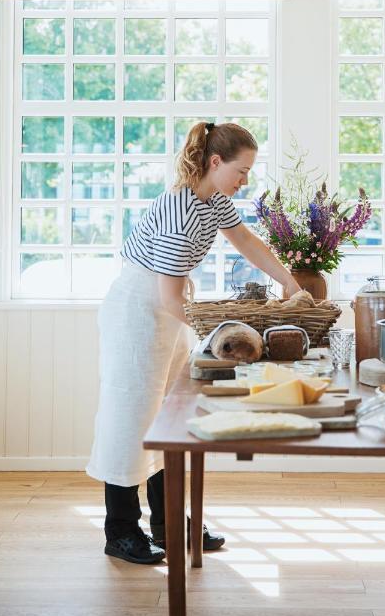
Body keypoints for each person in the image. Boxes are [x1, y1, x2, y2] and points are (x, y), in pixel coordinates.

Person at [86, 121, 301, 564]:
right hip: (137, 312)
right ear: (215, 162)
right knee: (129, 420)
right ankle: (121, 531)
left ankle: (168, 523)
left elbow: (244, 239)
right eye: (241, 171)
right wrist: (219, 337)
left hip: (166, 310)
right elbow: (167, 297)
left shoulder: (213, 201)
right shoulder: (180, 214)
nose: (245, 181)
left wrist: (289, 282)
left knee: (168, 417)